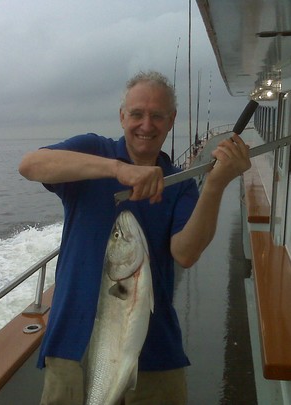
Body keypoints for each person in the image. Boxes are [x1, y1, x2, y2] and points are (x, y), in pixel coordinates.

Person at [18, 70, 251, 405]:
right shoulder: (93, 150)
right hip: (71, 344)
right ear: (122, 116)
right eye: (137, 114)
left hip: (156, 352)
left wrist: (216, 184)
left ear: (171, 120)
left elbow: (185, 254)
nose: (146, 125)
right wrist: (117, 169)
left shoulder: (181, 183)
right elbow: (30, 165)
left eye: (157, 116)